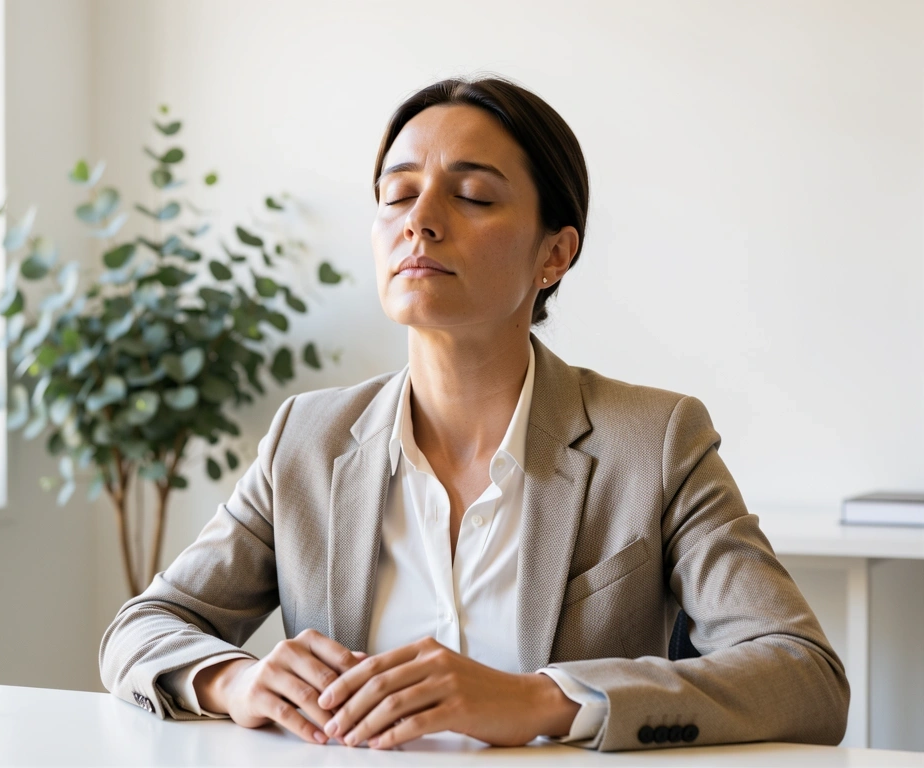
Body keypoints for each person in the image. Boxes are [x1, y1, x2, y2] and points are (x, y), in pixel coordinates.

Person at [98, 75, 849, 752]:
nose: (419, 221)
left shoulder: (653, 442)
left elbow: (803, 675)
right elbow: (143, 627)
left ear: (554, 255)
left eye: (474, 196)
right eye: (396, 195)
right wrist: (235, 682)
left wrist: (542, 701)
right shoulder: (308, 438)